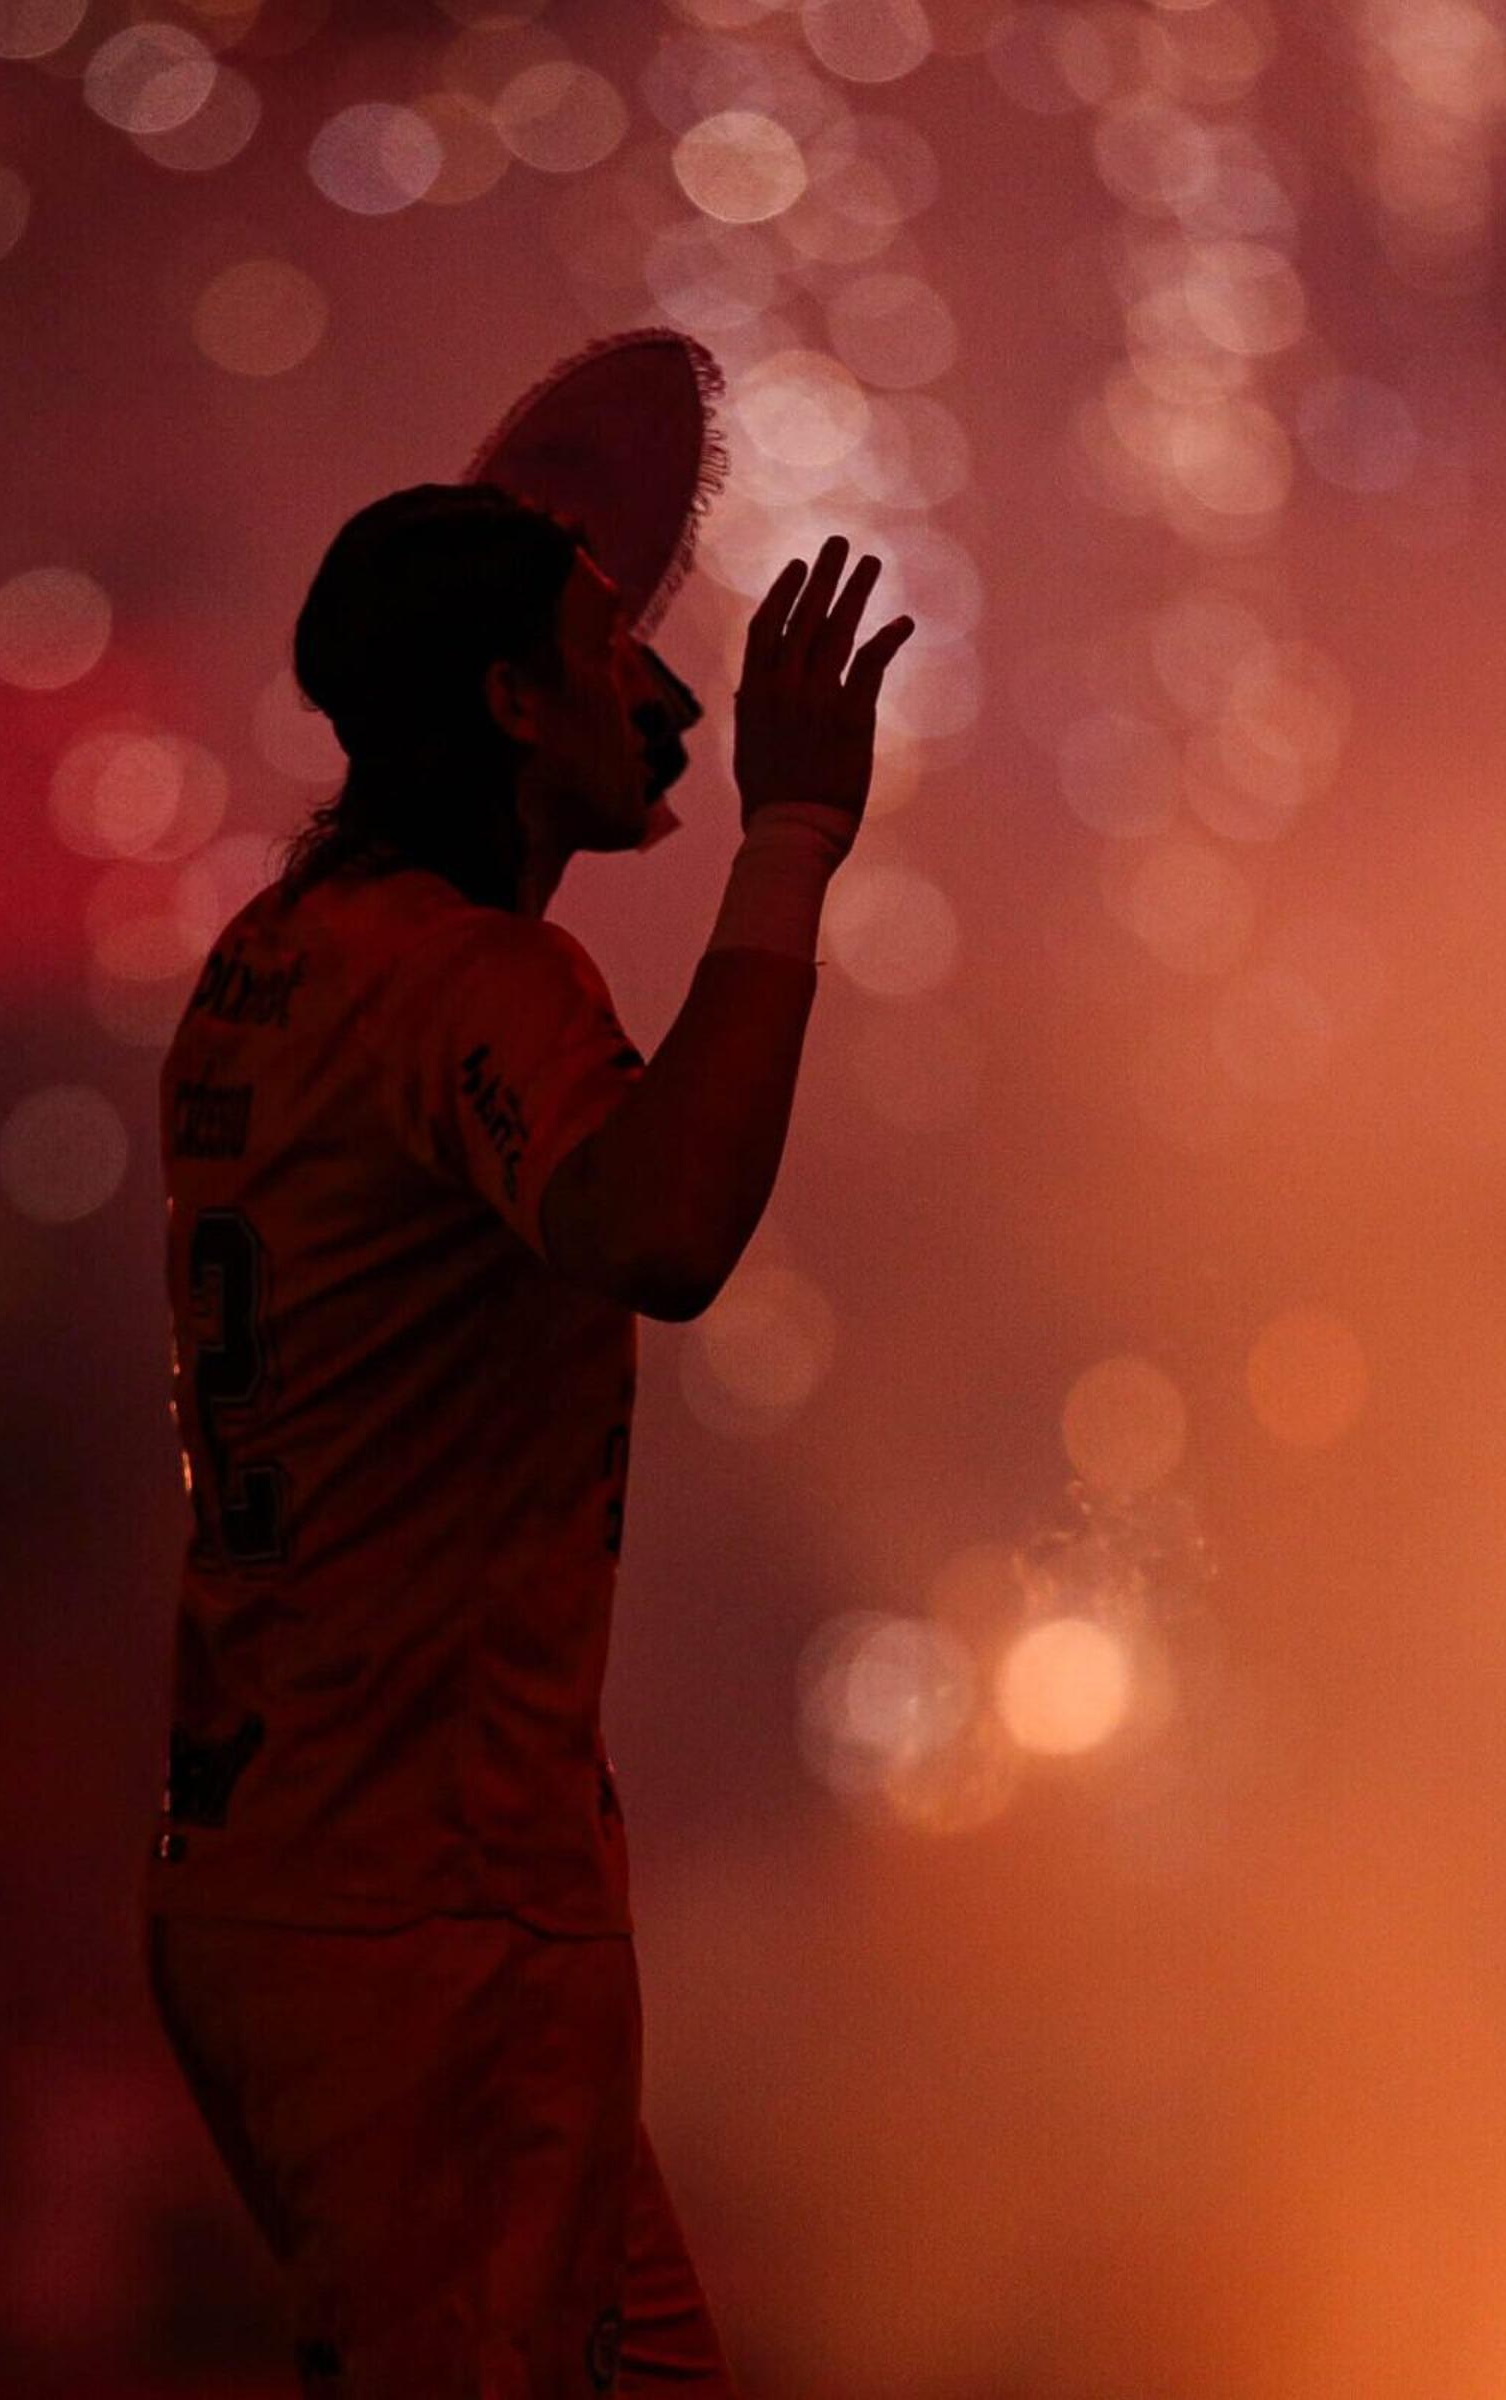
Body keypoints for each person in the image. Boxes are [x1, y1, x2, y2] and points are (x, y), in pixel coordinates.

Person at [145, 484, 912, 2395]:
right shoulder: (463, 980)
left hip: (290, 1871)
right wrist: (797, 838)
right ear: (505, 703)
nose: (665, 695)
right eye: (606, 651)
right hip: (432, 1904)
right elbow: (659, 1228)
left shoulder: (268, 964)